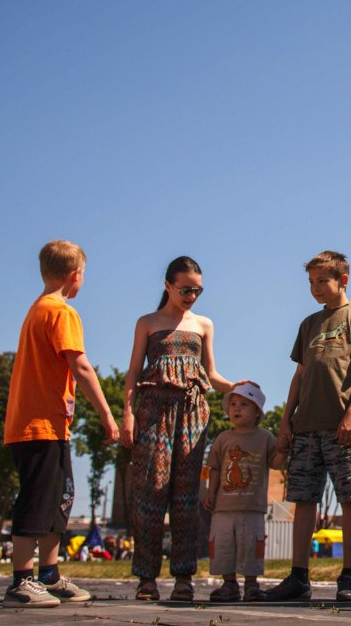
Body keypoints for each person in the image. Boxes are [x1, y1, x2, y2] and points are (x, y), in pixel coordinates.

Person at [1, 240, 119, 608]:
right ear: (75, 275)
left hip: (49, 425)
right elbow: (80, 366)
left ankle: (49, 575)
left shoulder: (37, 309)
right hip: (39, 425)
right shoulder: (60, 312)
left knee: (60, 499)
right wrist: (107, 414)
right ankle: (21, 581)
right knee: (38, 499)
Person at [267, 251, 351, 603]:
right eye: (311, 282)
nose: (315, 288)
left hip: (342, 427)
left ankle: (348, 577)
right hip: (305, 427)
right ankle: (298, 576)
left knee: (350, 497)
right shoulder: (308, 324)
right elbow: (299, 375)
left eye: (322, 281)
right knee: (303, 500)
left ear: (342, 280)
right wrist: (286, 419)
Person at [122, 256, 233, 602]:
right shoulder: (148, 322)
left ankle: (184, 577)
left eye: (198, 290)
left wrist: (238, 387)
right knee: (151, 492)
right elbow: (132, 373)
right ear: (168, 286)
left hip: (192, 411)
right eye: (185, 289)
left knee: (186, 496)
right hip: (154, 410)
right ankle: (147, 578)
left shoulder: (204, 324)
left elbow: (211, 375)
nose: (192, 296)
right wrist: (127, 415)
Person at [203, 381, 278, 602]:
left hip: (252, 506)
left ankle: (252, 585)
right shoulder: (223, 438)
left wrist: (284, 447)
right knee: (224, 544)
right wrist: (210, 492)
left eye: (244, 404)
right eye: (233, 404)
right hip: (223, 506)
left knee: (250, 545)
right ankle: (229, 584)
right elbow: (215, 468)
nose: (236, 408)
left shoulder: (265, 438)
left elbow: (276, 462)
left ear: (257, 412)